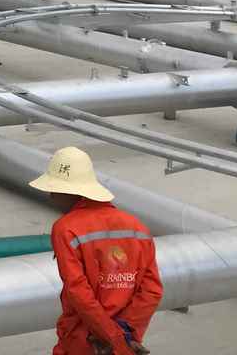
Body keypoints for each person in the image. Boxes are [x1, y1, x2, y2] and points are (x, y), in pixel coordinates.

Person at [31, 146, 161, 355]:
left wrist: (112, 338)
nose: (50, 196)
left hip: (84, 339)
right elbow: (152, 290)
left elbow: (78, 292)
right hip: (124, 342)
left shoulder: (67, 228)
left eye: (53, 189)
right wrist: (126, 334)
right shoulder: (137, 228)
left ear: (70, 191)